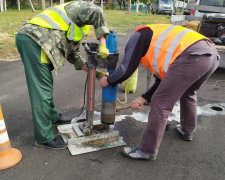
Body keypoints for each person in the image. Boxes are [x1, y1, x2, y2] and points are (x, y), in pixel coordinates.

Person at [99, 24, 220, 160]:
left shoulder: (136, 38)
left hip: (192, 56)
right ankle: (187, 130)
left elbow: (125, 70)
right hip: (211, 55)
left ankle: (147, 150)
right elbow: (161, 82)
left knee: (160, 103)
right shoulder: (156, 40)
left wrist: (108, 80)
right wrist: (143, 98)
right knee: (189, 93)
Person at [16, 1, 110, 150]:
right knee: (42, 89)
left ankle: (52, 117)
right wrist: (103, 44)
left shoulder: (76, 24)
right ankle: (43, 137)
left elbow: (74, 56)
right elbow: (97, 11)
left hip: (36, 39)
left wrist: (97, 74)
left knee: (45, 83)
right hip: (35, 39)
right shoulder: (78, 7)